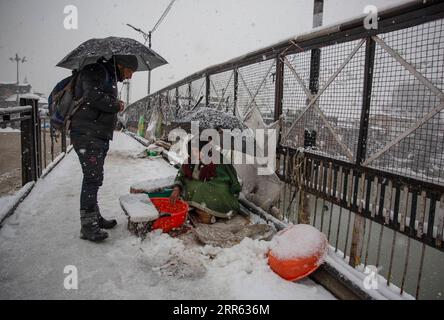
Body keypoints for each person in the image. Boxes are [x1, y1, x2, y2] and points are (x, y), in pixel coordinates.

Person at [70, 55, 138, 242]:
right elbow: (92, 97)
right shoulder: (96, 71)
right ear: (121, 65)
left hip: (94, 134)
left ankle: (94, 217)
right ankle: (88, 226)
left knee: (95, 177)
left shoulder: (105, 74)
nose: (130, 77)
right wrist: (117, 104)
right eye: (130, 71)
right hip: (88, 135)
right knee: (92, 178)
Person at [170, 140, 241, 220]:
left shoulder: (217, 160)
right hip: (197, 186)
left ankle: (211, 210)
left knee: (202, 188)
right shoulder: (190, 160)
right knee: (190, 186)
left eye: (197, 151)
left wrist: (205, 180)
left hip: (216, 189)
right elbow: (181, 174)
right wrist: (177, 188)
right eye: (192, 151)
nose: (194, 154)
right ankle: (200, 207)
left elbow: (225, 180)